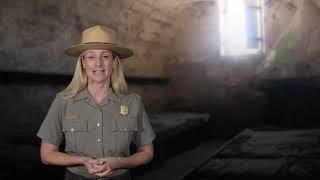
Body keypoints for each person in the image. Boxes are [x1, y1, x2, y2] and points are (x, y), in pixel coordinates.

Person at [37, 25, 156, 180]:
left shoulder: (133, 102)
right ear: (83, 63)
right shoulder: (63, 101)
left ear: (114, 63)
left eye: (105, 56)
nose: (98, 63)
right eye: (91, 57)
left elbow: (147, 153)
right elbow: (46, 155)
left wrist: (119, 162)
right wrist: (82, 161)